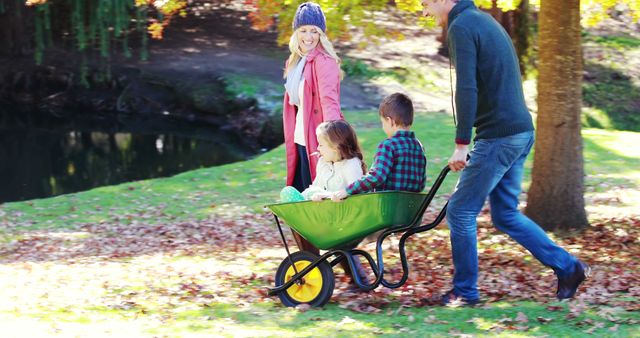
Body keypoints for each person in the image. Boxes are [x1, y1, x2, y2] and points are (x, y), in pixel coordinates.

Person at [421, 0, 590, 306]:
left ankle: (465, 291)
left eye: (425, 3)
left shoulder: (462, 26)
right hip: (520, 131)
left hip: (500, 136)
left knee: (460, 212)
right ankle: (569, 267)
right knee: (505, 214)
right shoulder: (483, 21)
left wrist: (462, 144)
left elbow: (467, 87)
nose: (424, 11)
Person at [281, 2, 344, 254]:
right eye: (304, 30)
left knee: (320, 208)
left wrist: (333, 144)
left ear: (322, 34)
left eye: (315, 31)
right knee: (298, 205)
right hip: (299, 142)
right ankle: (310, 265)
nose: (309, 37)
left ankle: (350, 268)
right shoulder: (295, 62)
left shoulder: (324, 61)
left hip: (318, 144)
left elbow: (330, 102)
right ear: (296, 32)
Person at [333, 93, 426, 201]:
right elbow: (421, 183)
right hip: (412, 209)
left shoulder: (388, 146)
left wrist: (348, 190)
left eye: (383, 122)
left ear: (390, 121)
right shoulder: (418, 146)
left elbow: (376, 176)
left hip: (387, 207)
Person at [280, 120, 367, 203]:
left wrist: (325, 195)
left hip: (340, 210)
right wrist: (308, 196)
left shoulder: (351, 164)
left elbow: (356, 194)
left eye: (321, 145)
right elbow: (315, 188)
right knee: (287, 191)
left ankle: (301, 213)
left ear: (336, 147)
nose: (318, 148)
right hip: (319, 208)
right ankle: (299, 210)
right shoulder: (323, 162)